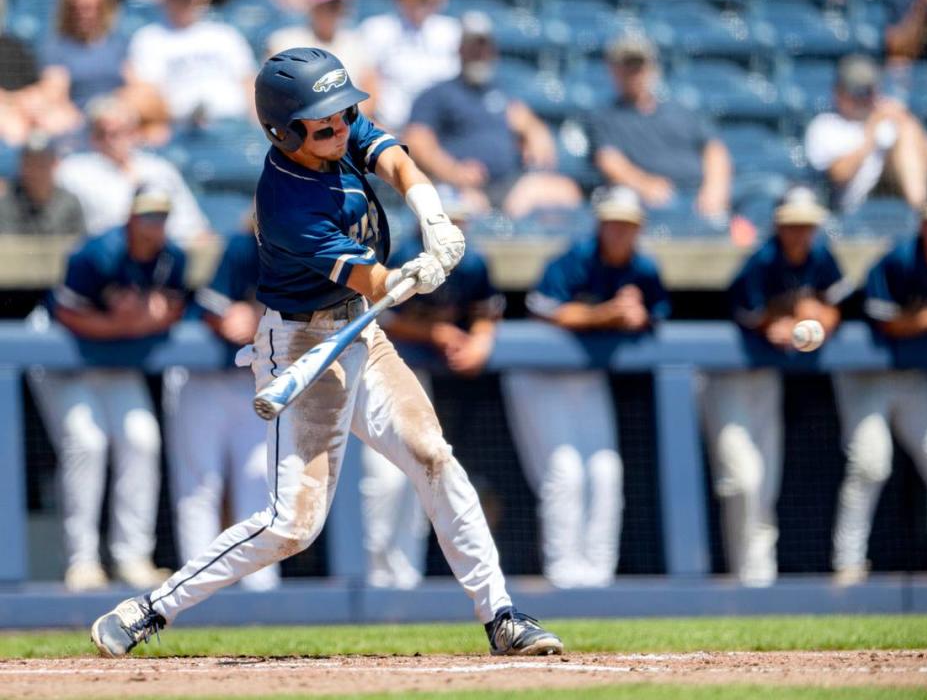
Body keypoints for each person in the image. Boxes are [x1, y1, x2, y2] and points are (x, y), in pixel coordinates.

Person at [91, 47, 563, 658]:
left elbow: (391, 156)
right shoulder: (287, 204)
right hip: (303, 344)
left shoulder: (332, 126)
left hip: (358, 331)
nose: (340, 127)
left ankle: (500, 613)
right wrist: (415, 276)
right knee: (294, 524)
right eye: (323, 124)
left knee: (432, 455)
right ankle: (150, 608)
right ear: (284, 131)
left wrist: (431, 211)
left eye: (342, 115)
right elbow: (374, 283)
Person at [501, 186, 670, 588]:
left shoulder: (643, 270)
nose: (618, 231)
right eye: (612, 222)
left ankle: (598, 576)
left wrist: (636, 314)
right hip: (539, 374)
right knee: (565, 472)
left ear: (638, 228)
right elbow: (544, 311)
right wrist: (607, 313)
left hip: (586, 375)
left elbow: (657, 314)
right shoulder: (574, 258)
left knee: (607, 471)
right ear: (599, 224)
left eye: (626, 224)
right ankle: (564, 575)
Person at [29, 185, 185, 592]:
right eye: (147, 216)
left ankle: (133, 556)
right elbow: (67, 314)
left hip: (115, 356)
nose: (154, 225)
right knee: (87, 441)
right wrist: (127, 326)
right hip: (65, 354)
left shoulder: (172, 257)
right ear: (130, 217)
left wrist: (139, 323)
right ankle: (81, 561)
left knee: (142, 439)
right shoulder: (96, 253)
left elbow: (175, 308)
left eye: (161, 217)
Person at [700, 185, 851, 587]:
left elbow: (836, 306)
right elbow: (755, 318)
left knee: (765, 482)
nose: (799, 234)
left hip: (765, 379)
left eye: (806, 226)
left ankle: (760, 579)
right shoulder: (761, 261)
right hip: (727, 376)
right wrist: (779, 321)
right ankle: (743, 576)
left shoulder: (820, 256)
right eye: (792, 226)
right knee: (742, 479)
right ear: (779, 227)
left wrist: (820, 317)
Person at [361, 189, 505, 589]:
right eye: (446, 221)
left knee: (420, 474)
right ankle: (372, 575)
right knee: (384, 480)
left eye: (458, 222)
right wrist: (435, 331)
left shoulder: (472, 263)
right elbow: (378, 314)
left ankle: (405, 579)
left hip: (420, 377)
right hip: (376, 367)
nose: (453, 230)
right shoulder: (401, 253)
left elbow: (485, 313)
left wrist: (481, 339)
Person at [832, 183, 927, 587]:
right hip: (866, 369)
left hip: (910, 376)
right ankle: (848, 566)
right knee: (871, 461)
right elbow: (886, 324)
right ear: (922, 225)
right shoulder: (898, 260)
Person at [164, 227, 280, 592]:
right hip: (203, 378)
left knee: (258, 479)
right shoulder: (244, 246)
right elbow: (215, 311)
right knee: (201, 485)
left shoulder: (313, 246)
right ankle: (194, 594)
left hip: (253, 380)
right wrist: (235, 316)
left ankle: (261, 590)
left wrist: (260, 320)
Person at [404, 11, 582, 219]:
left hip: (511, 186)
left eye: (484, 46)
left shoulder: (501, 93)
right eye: (473, 47)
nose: (479, 53)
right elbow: (416, 141)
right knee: (458, 207)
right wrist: (453, 171)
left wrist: (537, 135)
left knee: (566, 191)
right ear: (460, 50)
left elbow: (528, 123)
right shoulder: (437, 94)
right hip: (459, 187)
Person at [588, 34, 737, 231]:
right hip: (656, 199)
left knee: (768, 189)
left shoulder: (683, 110)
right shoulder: (605, 116)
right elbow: (609, 160)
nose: (634, 73)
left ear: (652, 68)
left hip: (702, 192)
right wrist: (644, 185)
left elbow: (714, 149)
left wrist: (715, 189)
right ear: (614, 70)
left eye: (639, 65)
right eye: (627, 66)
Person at [55, 95, 210, 246]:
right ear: (92, 137)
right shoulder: (73, 171)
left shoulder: (160, 169)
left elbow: (193, 226)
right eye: (103, 133)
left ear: (135, 132)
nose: (111, 140)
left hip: (163, 258)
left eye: (120, 132)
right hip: (104, 260)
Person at [804, 54, 927, 212]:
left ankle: (924, 210)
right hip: (849, 207)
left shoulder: (890, 120)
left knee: (908, 130)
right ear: (838, 92)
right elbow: (838, 175)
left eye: (868, 91)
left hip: (894, 193)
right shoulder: (824, 126)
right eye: (857, 92)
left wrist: (907, 119)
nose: (863, 98)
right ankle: (924, 212)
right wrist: (871, 130)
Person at [126, 0, 258, 129]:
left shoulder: (225, 34)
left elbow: (249, 83)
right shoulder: (149, 39)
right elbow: (146, 93)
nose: (186, 2)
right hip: (182, 129)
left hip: (234, 125)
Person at [42, 0, 165, 130]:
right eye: (76, 9)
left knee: (152, 107)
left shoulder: (117, 44)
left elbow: (135, 83)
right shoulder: (58, 48)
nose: (83, 15)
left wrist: (119, 101)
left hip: (117, 107)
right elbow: (55, 91)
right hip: (81, 114)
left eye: (89, 9)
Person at [360, 0, 461, 132]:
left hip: (442, 131)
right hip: (391, 129)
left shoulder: (452, 30)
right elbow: (366, 83)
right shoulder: (377, 29)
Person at [265, 0, 377, 118]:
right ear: (312, 8)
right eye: (326, 6)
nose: (330, 11)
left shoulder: (356, 42)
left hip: (351, 121)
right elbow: (273, 92)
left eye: (335, 6)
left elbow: (371, 93)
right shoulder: (284, 41)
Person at [0, 133, 87, 236]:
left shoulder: (69, 202)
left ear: (54, 163)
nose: (36, 170)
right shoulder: (7, 203)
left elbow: (79, 245)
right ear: (22, 165)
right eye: (31, 163)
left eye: (42, 163)